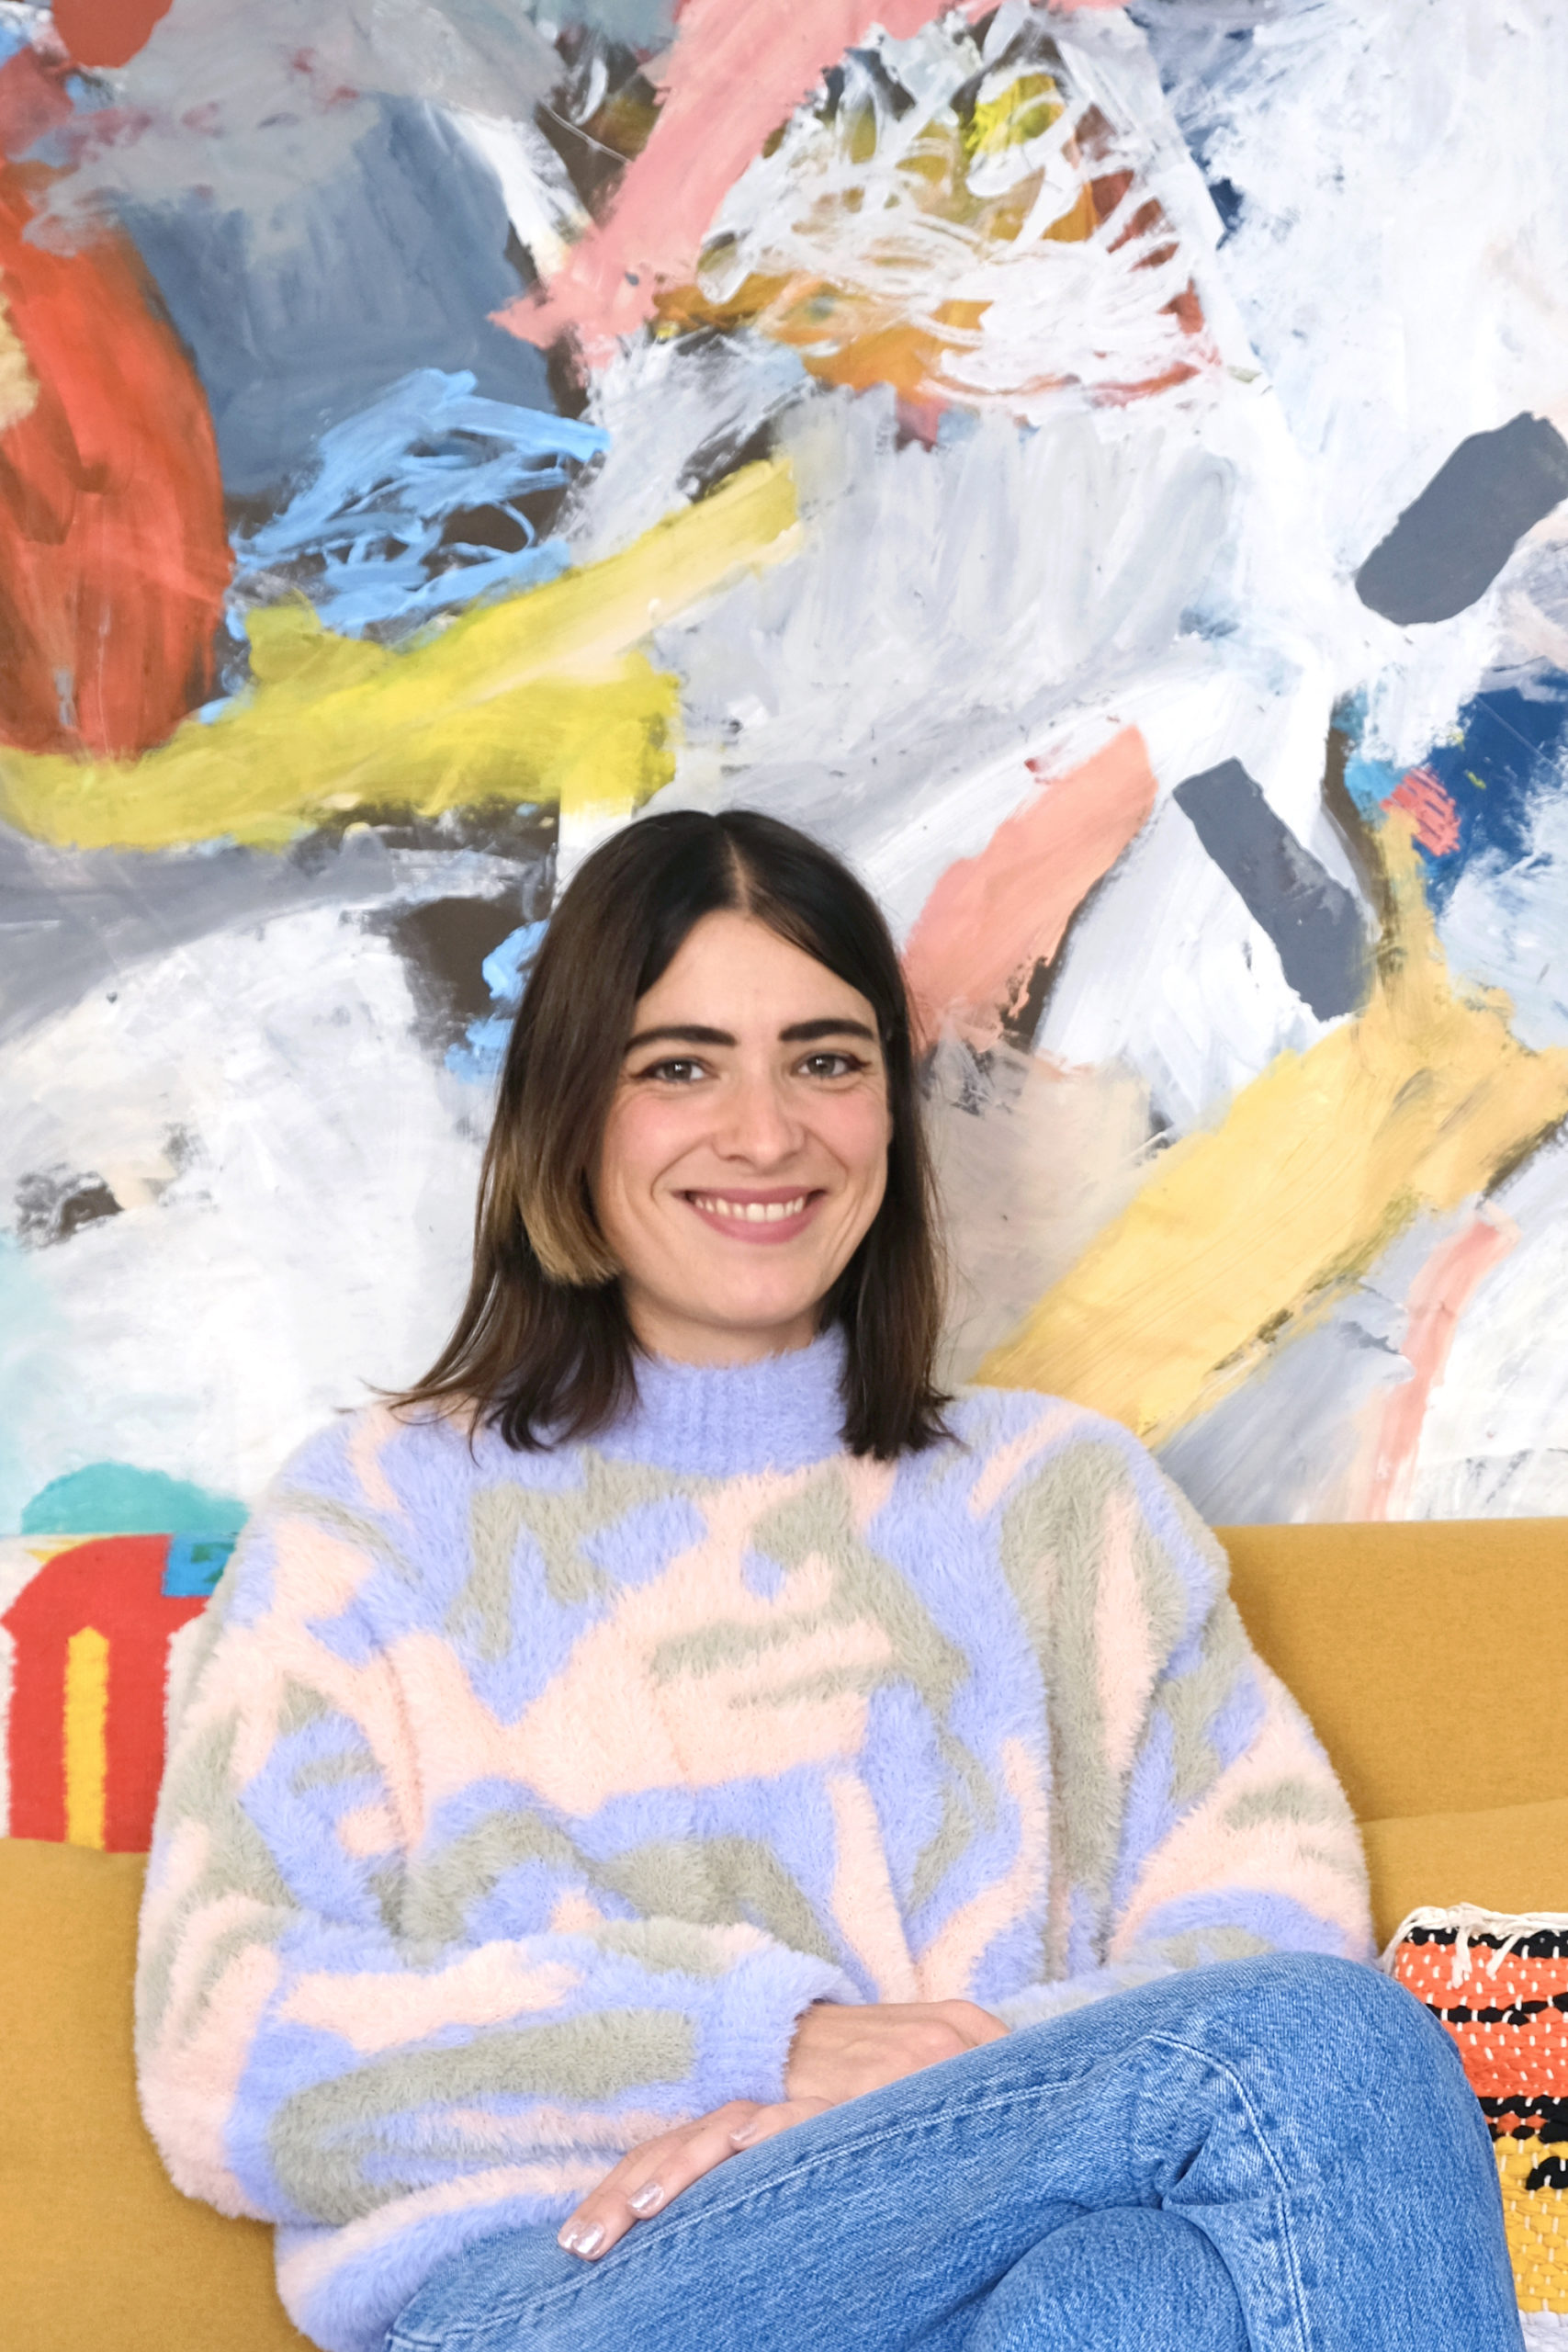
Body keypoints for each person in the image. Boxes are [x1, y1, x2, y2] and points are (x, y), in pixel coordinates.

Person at [136, 810, 1521, 2352]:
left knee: (1141, 2297)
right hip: (558, 2294)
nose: (766, 1132)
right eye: (680, 1066)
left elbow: (1265, 1923)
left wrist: (879, 2115)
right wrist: (761, 2045)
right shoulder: (376, 1516)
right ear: (567, 1111)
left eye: (825, 1060)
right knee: (1328, 2053)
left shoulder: (1059, 1504)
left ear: (888, 1112)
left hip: (981, 2270)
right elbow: (222, 2044)